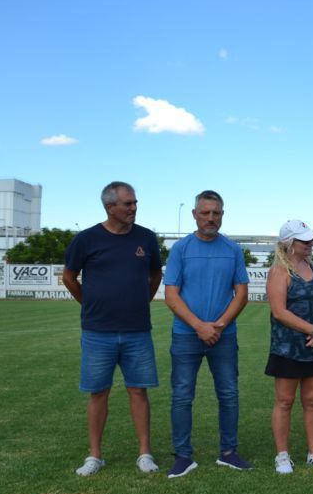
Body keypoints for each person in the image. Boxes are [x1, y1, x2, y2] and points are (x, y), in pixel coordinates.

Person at [62, 181, 163, 476]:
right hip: (98, 332)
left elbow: (155, 273)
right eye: (128, 204)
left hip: (137, 331)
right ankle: (95, 455)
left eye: (134, 202)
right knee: (97, 393)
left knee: (138, 392)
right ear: (110, 207)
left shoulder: (146, 237)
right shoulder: (86, 239)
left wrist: (141, 300)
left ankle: (145, 453)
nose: (134, 208)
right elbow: (69, 277)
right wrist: (89, 302)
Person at [163, 190, 251, 478]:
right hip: (186, 335)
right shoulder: (181, 249)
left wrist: (219, 325)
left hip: (224, 336)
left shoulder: (233, 250)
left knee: (228, 394)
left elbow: (241, 293)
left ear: (222, 215)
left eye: (216, 213)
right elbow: (172, 295)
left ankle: (229, 452)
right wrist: (199, 325)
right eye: (205, 212)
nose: (211, 218)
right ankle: (183, 456)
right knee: (182, 396)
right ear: (195, 214)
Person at [266, 220, 313, 474]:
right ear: (289, 243)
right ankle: (282, 455)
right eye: (304, 240)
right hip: (287, 347)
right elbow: (279, 311)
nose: (310, 243)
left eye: (310, 239)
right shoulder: (279, 272)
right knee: (284, 401)